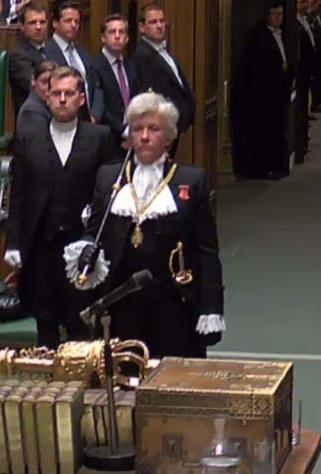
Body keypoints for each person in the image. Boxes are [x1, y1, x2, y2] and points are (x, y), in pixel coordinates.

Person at [69, 92, 225, 358]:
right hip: (121, 302)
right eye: (137, 129)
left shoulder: (192, 180)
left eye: (153, 129)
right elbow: (93, 230)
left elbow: (207, 251)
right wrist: (84, 249)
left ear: (168, 137)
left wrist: (211, 307)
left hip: (174, 302)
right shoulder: (110, 177)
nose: (144, 136)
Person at [5, 66, 115, 348]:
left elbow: (109, 190)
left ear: (81, 98)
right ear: (47, 97)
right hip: (41, 247)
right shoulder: (29, 138)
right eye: (56, 93)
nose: (62, 99)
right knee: (45, 324)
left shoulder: (99, 137)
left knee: (80, 322)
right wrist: (13, 244)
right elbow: (18, 195)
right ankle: (47, 387)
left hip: (83, 248)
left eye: (69, 93)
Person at [232, 0, 294, 179]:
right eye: (275, 14)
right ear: (267, 16)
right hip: (262, 96)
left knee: (276, 132)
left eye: (281, 15)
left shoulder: (281, 35)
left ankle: (275, 165)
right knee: (263, 133)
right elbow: (258, 68)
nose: (278, 18)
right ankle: (263, 168)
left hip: (276, 94)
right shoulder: (260, 37)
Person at [132, 3, 195, 155]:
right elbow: (150, 96)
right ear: (141, 27)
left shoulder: (162, 50)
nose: (160, 26)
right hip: (162, 126)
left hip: (174, 125)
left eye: (162, 21)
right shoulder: (143, 56)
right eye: (153, 22)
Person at [44, 1, 103, 122]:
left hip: (88, 121)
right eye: (68, 21)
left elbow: (96, 85)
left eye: (76, 21)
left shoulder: (82, 52)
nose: (73, 25)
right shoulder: (46, 52)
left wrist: (94, 115)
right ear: (55, 23)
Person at [92, 14, 139, 157]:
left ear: (127, 38)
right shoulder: (94, 67)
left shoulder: (131, 65)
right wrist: (124, 131)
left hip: (134, 139)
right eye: (112, 32)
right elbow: (100, 108)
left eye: (122, 32)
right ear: (103, 38)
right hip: (109, 141)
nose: (117, 36)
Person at [8, 2, 49, 115]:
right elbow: (36, 89)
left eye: (42, 22)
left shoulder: (51, 49)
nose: (38, 27)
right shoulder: (19, 56)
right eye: (32, 23)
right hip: (35, 115)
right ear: (21, 26)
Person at [296, 0, 316, 163]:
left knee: (304, 109)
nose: (308, 4)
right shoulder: (295, 24)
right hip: (300, 75)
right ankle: (299, 143)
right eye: (304, 2)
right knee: (300, 109)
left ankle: (303, 141)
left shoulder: (305, 22)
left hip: (307, 74)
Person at [16, 60, 58, 134]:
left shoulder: (52, 105)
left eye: (53, 82)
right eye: (44, 82)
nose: (48, 87)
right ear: (33, 81)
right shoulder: (31, 112)